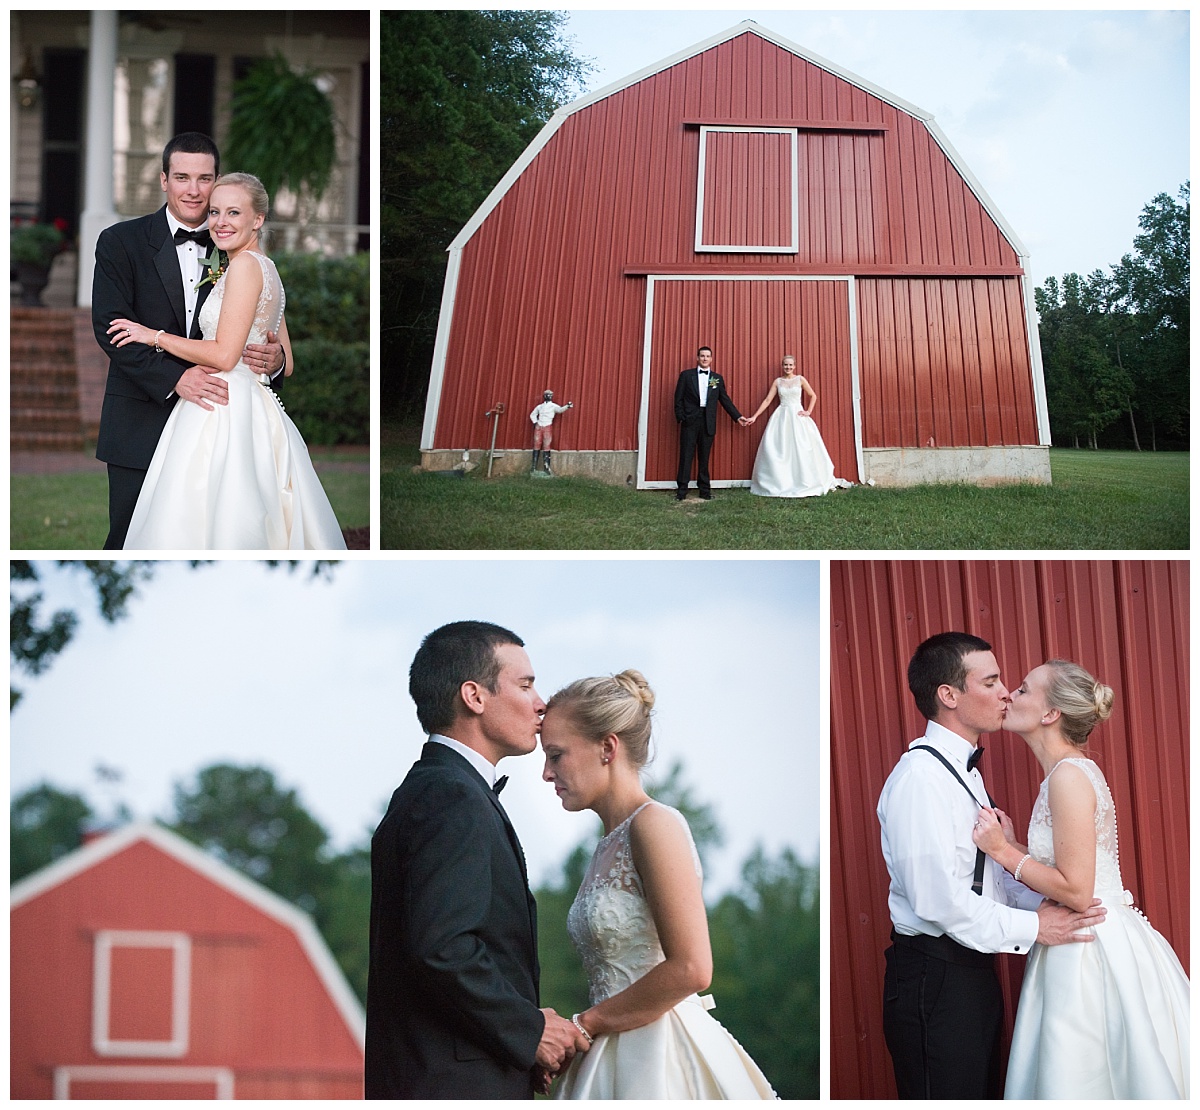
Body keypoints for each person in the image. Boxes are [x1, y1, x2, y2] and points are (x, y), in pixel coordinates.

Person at [876, 632, 1107, 1099]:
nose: (1005, 692)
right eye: (992, 681)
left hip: (971, 977)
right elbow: (938, 901)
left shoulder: (966, 774)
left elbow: (986, 880)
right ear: (949, 695)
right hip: (933, 980)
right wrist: (1035, 926)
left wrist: (1051, 898)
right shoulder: (921, 780)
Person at [365, 621, 589, 1098]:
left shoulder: (433, 789)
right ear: (474, 696)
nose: (540, 702)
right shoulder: (451, 797)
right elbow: (442, 946)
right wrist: (529, 1030)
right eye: (525, 684)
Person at [539, 669, 776, 1098]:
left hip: (659, 1056)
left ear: (607, 747)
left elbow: (692, 968)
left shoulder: (654, 825)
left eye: (556, 755)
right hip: (610, 1050)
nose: (545, 773)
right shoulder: (605, 846)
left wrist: (584, 1025)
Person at [971, 660, 1189, 1099]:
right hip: (1091, 934)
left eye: (1025, 690)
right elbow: (1071, 866)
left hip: (1092, 948)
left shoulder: (1068, 777)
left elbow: (1076, 889)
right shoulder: (1064, 773)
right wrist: (1025, 850)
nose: (1010, 695)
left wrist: (1003, 852)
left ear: (1051, 714)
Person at [107, 172, 346, 549]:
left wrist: (153, 336)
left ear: (258, 219)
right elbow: (289, 360)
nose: (220, 222)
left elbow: (224, 353)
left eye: (234, 213)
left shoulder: (245, 267)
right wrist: (278, 358)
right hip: (250, 401)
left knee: (207, 504)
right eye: (215, 212)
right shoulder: (266, 266)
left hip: (222, 403)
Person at [91, 132, 286, 549]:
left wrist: (277, 359)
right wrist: (173, 380)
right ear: (164, 180)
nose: (194, 190)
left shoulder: (235, 253)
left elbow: (264, 329)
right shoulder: (120, 242)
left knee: (221, 533)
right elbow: (111, 328)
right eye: (182, 177)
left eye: (204, 179)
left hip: (221, 422)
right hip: (140, 420)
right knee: (135, 541)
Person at [744, 355, 849, 497]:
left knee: (802, 447)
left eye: (790, 365)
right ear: (782, 366)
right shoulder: (778, 382)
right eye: (786, 365)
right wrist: (755, 416)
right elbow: (768, 399)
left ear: (795, 366)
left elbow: (813, 395)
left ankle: (804, 480)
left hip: (797, 416)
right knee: (781, 448)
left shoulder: (800, 379)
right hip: (781, 416)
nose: (788, 367)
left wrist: (808, 411)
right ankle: (781, 481)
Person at [673, 345, 749, 501]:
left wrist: (737, 416)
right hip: (690, 420)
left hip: (708, 421)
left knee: (704, 457)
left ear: (711, 359)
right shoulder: (686, 376)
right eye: (702, 356)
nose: (704, 358)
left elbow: (724, 400)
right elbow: (678, 398)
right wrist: (681, 417)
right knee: (686, 455)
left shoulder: (716, 378)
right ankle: (682, 491)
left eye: (707, 356)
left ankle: (704, 490)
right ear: (697, 358)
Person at [529, 389, 574, 474]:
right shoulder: (540, 406)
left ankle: (547, 467)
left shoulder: (553, 406)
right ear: (544, 396)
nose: (548, 396)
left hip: (547, 426)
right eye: (547, 395)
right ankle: (533, 467)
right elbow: (533, 414)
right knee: (536, 445)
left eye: (550, 395)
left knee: (547, 445)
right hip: (539, 426)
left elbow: (560, 410)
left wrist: (567, 406)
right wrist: (535, 422)